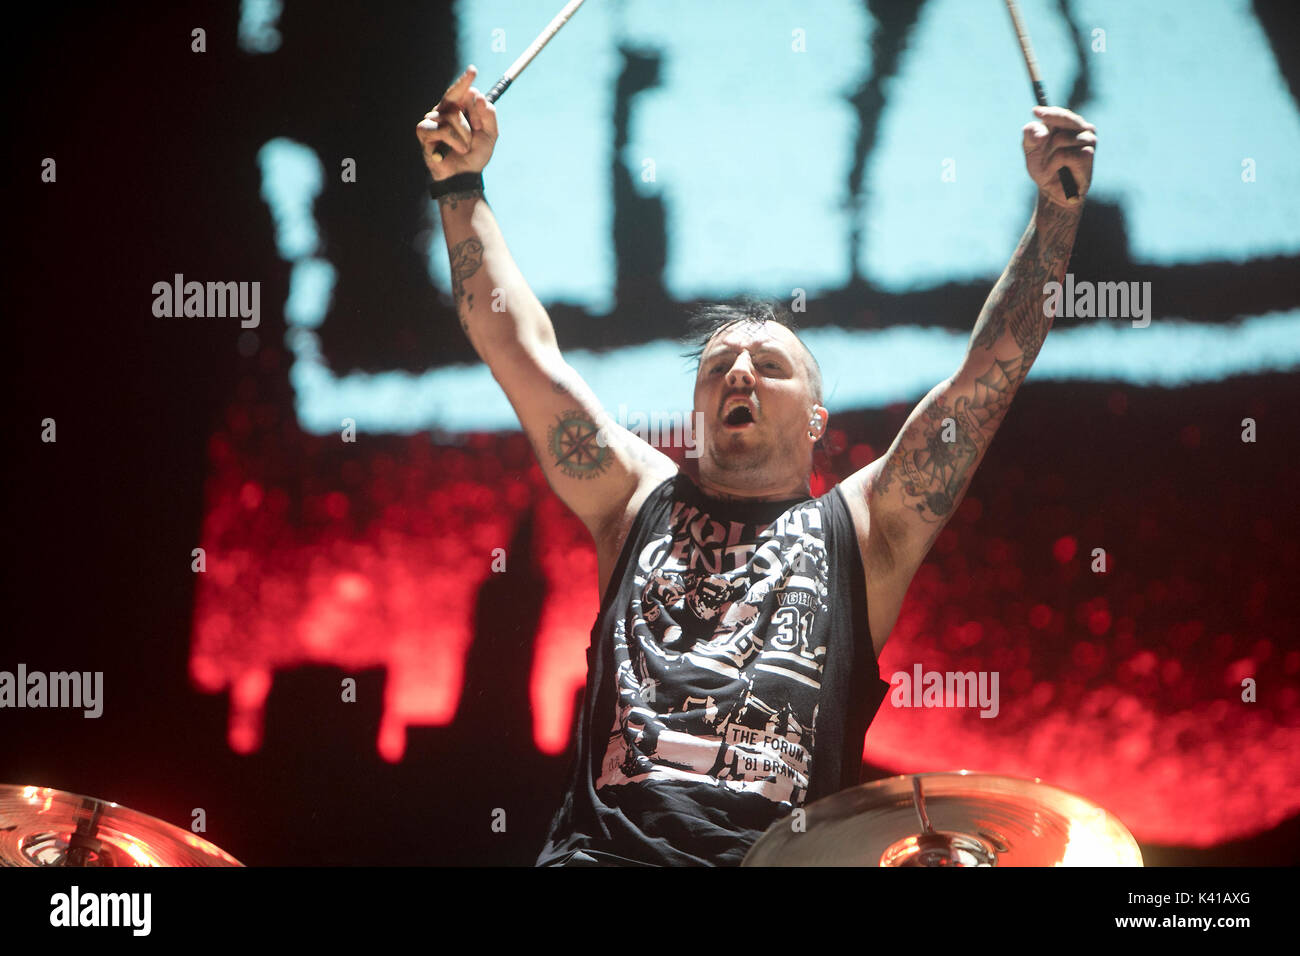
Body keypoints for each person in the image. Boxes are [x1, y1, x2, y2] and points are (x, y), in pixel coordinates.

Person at [416, 65, 1097, 866]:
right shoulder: (634, 498)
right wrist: (459, 184)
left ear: (816, 420)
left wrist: (1057, 211)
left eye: (768, 365)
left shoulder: (862, 530)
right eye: (718, 366)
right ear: (700, 410)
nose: (739, 372)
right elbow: (520, 349)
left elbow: (987, 376)